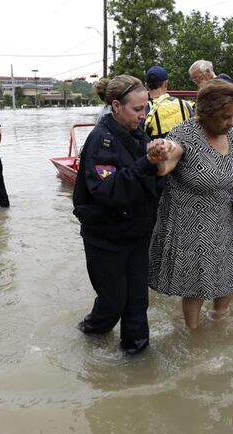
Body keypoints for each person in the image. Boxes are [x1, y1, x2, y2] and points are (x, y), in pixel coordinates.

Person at [73, 75, 167, 355]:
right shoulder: (100, 141)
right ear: (116, 106)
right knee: (114, 301)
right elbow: (109, 191)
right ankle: (91, 332)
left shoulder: (139, 135)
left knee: (137, 302)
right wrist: (147, 163)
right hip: (106, 238)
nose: (144, 114)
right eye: (137, 109)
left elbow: (151, 184)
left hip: (137, 234)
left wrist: (163, 163)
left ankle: (137, 357)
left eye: (146, 108)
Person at [148, 79, 233, 329]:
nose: (231, 122)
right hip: (191, 226)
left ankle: (219, 323)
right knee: (197, 284)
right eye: (226, 117)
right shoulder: (184, 134)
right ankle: (193, 335)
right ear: (208, 113)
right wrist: (160, 155)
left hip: (224, 221)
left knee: (228, 277)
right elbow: (167, 162)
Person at [143, 65, 194, 139]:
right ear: (166, 83)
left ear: (146, 86)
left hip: (158, 149)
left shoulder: (143, 110)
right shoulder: (184, 105)